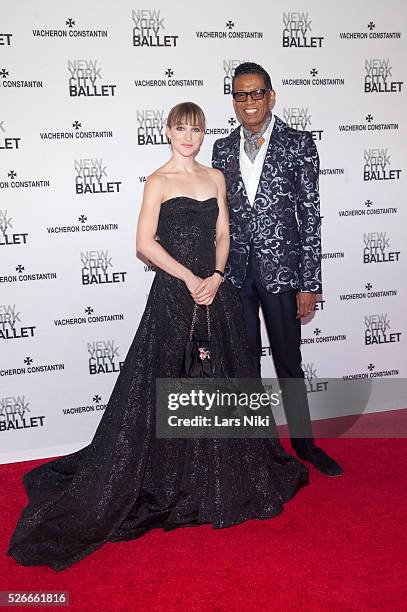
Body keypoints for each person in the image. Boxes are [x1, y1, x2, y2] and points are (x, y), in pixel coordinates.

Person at [7, 102, 308, 572]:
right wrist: (189, 279)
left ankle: (217, 473)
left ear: (205, 133)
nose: (189, 136)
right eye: (181, 128)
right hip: (174, 296)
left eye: (197, 129)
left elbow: (225, 231)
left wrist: (215, 272)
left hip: (215, 294)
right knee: (168, 383)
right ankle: (174, 476)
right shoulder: (158, 181)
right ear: (167, 131)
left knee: (221, 383)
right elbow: (144, 243)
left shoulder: (215, 177)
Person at [212, 63, 343, 477]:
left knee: (289, 362)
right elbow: (217, 220)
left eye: (256, 93)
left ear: (271, 96)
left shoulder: (299, 143)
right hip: (235, 275)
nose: (248, 102)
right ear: (233, 100)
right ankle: (255, 453)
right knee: (244, 365)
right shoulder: (219, 148)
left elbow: (311, 216)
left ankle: (305, 446)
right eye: (239, 95)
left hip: (283, 274)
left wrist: (310, 282)